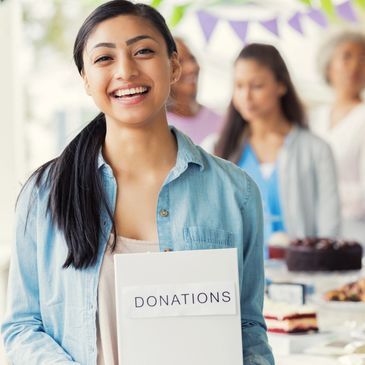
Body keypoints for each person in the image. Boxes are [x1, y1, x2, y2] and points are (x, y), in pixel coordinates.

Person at [1, 2, 274, 364]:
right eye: (104, 59)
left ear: (174, 65)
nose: (126, 71)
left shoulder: (236, 192)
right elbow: (22, 328)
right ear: (85, 78)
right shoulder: (45, 194)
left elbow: (249, 329)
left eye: (143, 51)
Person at [211, 43, 341, 246]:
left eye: (257, 86)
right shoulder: (217, 149)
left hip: (302, 274)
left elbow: (329, 230)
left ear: (281, 85)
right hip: (241, 274)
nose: (246, 96)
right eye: (239, 86)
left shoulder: (316, 150)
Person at [310, 31, 365, 244]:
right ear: (328, 66)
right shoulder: (314, 117)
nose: (355, 66)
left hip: (356, 234)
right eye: (347, 56)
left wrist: (322, 193)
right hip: (317, 233)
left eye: (363, 58)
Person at [166, 37, 223, 144]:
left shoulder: (220, 120)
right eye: (180, 62)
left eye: (192, 58)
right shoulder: (161, 127)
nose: (192, 67)